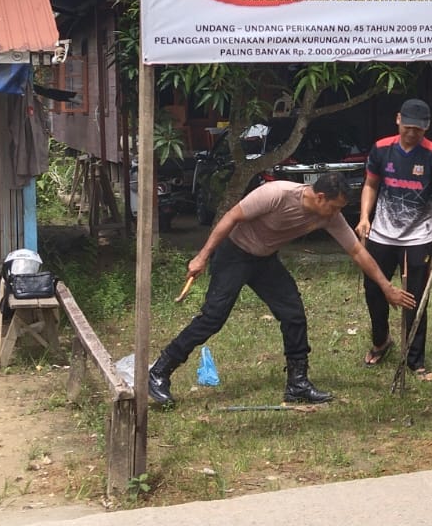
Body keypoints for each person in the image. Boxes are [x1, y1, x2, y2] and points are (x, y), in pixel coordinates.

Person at [147, 173, 416, 408]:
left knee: (293, 314)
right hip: (234, 253)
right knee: (213, 318)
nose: (338, 214)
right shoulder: (276, 194)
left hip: (265, 260)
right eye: (335, 207)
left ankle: (297, 384)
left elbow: (357, 251)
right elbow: (231, 217)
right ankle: (159, 371)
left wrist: (386, 287)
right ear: (321, 197)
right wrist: (202, 256)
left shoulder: (329, 217)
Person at [354, 98, 432, 378]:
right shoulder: (382, 149)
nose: (412, 133)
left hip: (419, 238)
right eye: (407, 127)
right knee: (375, 292)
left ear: (426, 128)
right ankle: (381, 342)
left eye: (418, 129)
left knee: (415, 299)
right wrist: (364, 217)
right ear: (398, 120)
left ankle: (414, 358)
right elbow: (371, 184)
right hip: (382, 234)